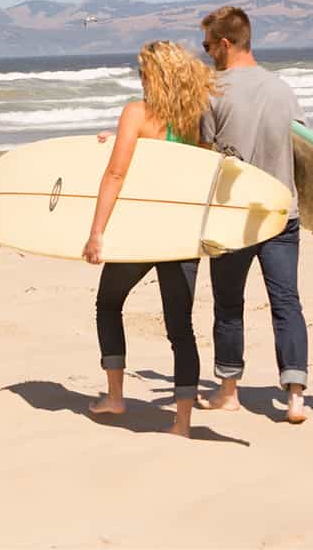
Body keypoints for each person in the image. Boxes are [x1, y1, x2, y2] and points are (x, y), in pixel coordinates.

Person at [82, 40, 217, 437]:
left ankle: (116, 396)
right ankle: (182, 423)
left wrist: (96, 233)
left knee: (108, 304)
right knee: (181, 329)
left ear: (153, 77)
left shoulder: (137, 114)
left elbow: (116, 175)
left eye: (142, 72)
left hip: (142, 234)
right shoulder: (199, 118)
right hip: (182, 235)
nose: (139, 79)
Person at [195, 6, 310, 423]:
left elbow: (202, 155)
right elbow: (305, 151)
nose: (206, 53)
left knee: (228, 305)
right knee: (286, 303)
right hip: (282, 213)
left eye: (207, 45)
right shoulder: (282, 88)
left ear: (225, 44)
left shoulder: (213, 92)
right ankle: (296, 396)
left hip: (233, 218)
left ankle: (229, 392)